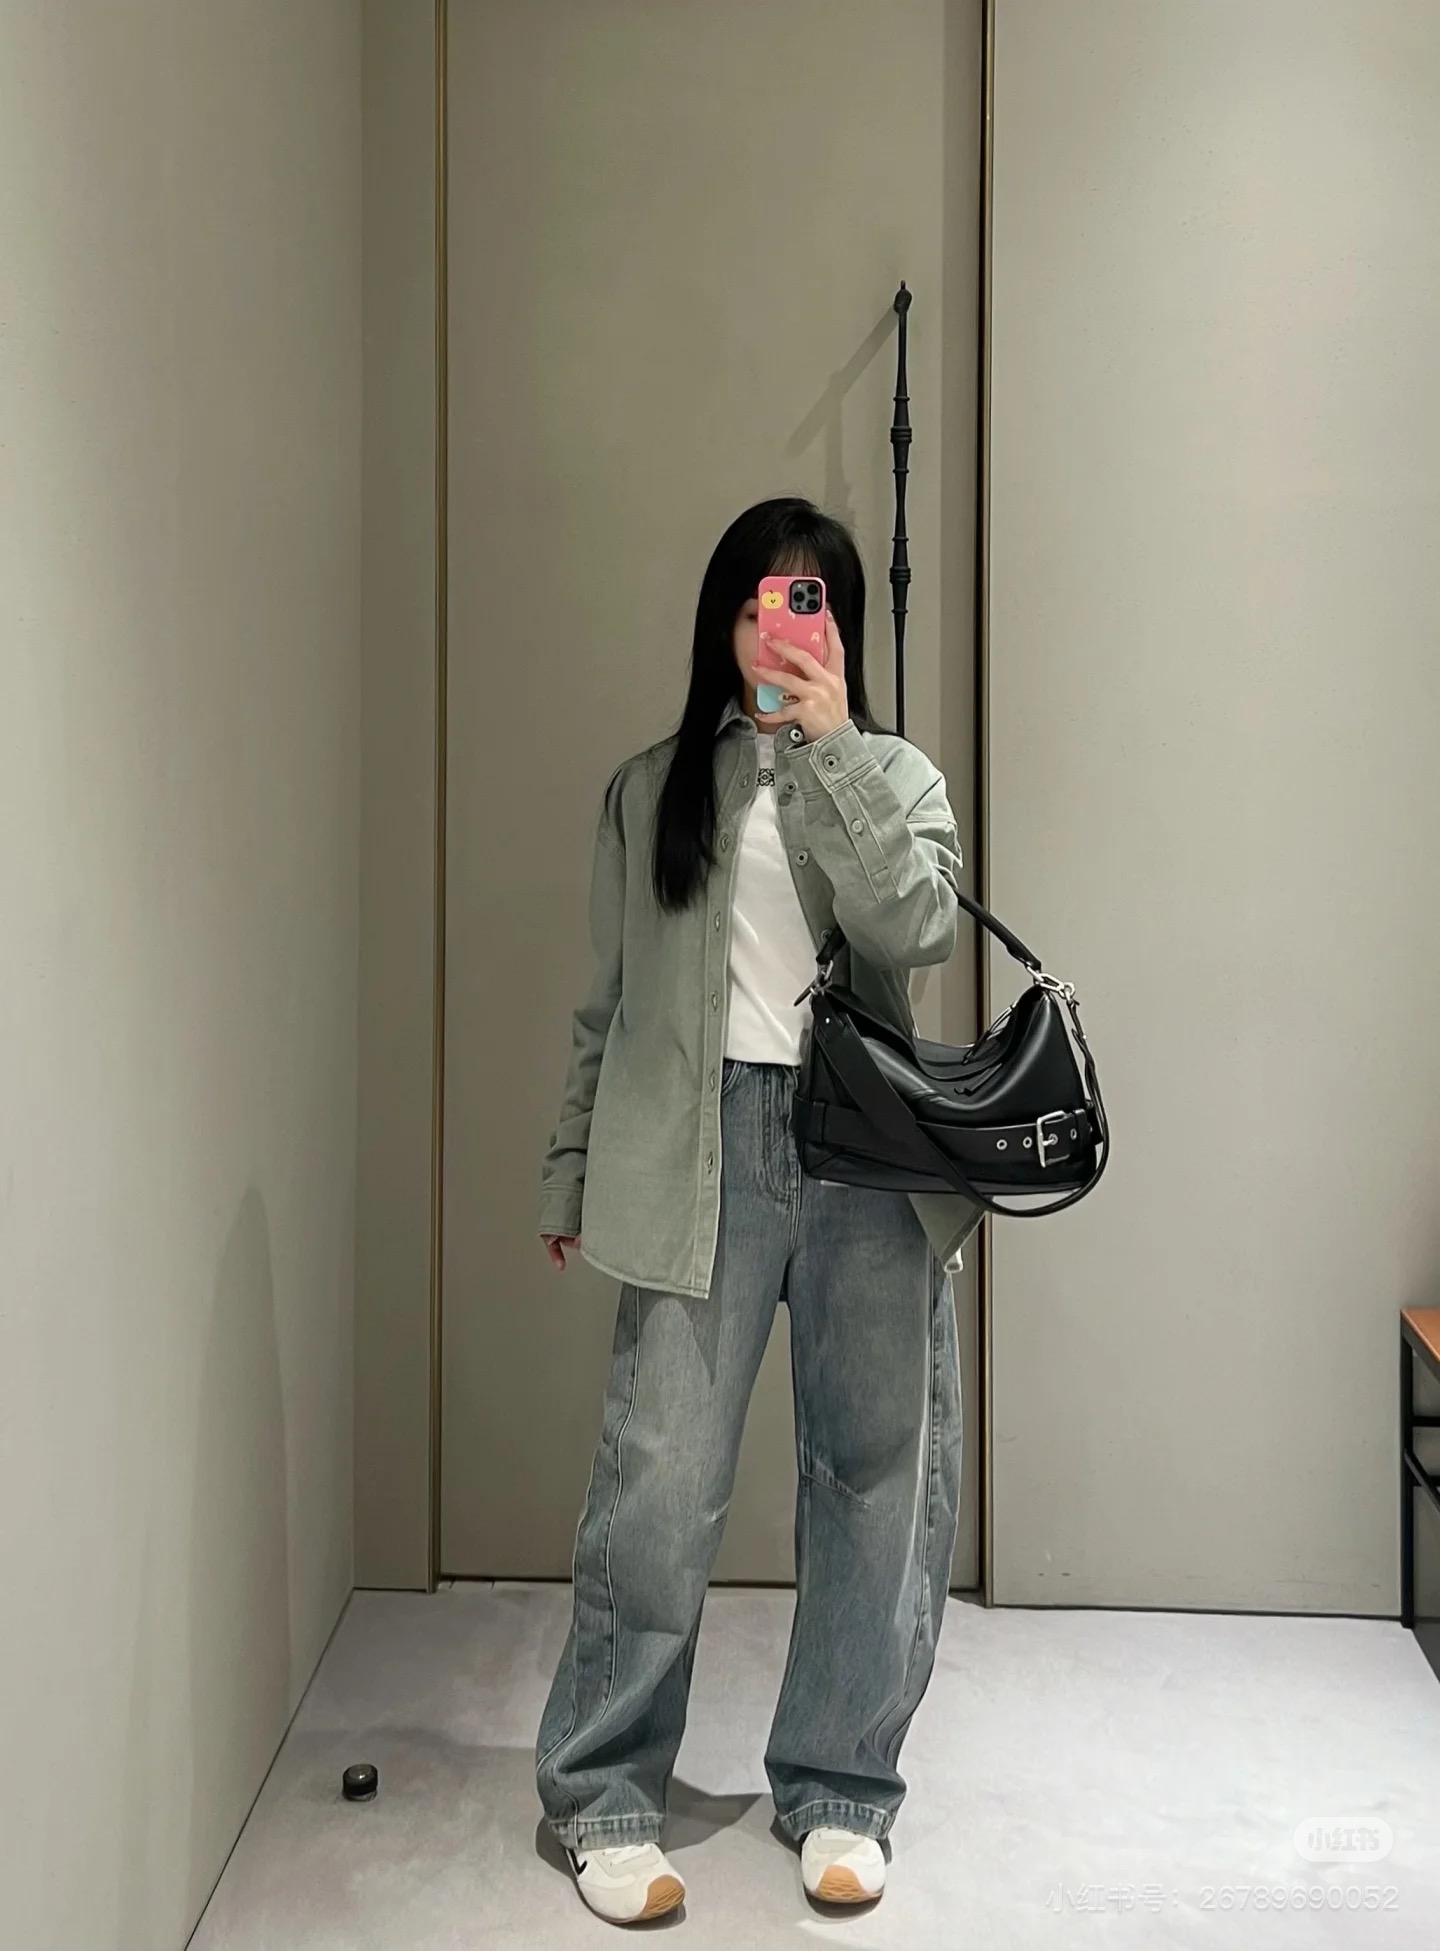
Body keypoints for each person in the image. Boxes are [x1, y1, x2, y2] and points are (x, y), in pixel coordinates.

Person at [534, 496, 979, 1925]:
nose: (776, 630)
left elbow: (918, 931)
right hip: (695, 1151)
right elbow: (606, 1009)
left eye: (807, 603)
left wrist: (833, 748)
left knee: (873, 1482)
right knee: (657, 1484)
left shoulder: (895, 775)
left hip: (864, 1157)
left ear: (840, 627)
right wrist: (569, 1171)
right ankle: (607, 1795)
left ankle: (843, 1787)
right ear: (718, 623)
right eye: (753, 603)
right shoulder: (650, 789)